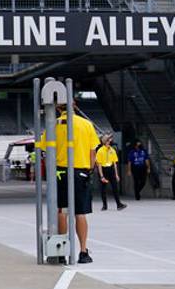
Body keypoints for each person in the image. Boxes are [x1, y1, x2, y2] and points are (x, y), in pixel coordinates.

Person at [40, 104, 100, 264]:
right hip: (81, 171)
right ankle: (83, 251)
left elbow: (45, 150)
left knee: (62, 210)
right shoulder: (86, 124)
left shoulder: (53, 124)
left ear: (59, 108)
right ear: (75, 107)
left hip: (60, 171)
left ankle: (61, 251)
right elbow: (92, 151)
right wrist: (90, 170)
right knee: (80, 213)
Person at [96, 134, 126, 211]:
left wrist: (116, 174)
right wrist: (101, 176)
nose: (110, 140)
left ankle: (119, 204)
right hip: (103, 170)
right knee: (103, 189)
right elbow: (99, 164)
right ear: (105, 141)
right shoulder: (100, 151)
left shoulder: (112, 150)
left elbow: (114, 164)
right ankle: (104, 205)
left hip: (111, 170)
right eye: (109, 139)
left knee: (115, 188)